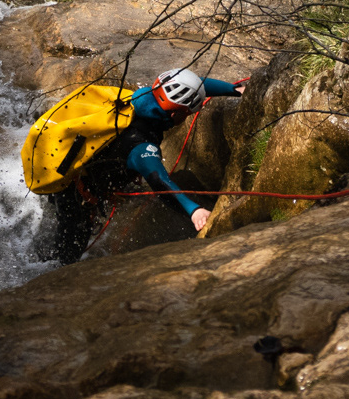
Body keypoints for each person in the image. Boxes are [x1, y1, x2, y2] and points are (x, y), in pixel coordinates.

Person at [50, 67, 244, 260]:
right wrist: (194, 211)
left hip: (72, 169)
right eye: (187, 113)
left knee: (61, 224)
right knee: (68, 253)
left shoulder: (144, 98)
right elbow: (159, 181)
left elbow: (193, 85)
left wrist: (234, 89)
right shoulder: (140, 146)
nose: (187, 116)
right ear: (175, 114)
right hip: (77, 194)